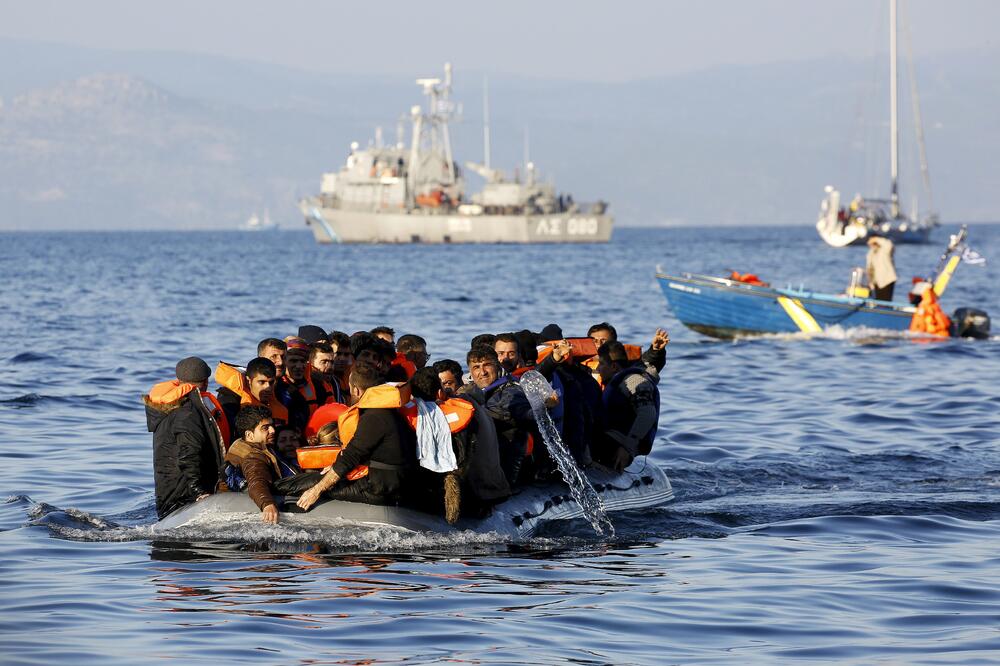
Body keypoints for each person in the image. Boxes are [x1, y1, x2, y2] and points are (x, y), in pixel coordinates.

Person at [296, 362, 417, 510]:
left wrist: (316, 490)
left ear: (356, 390)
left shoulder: (373, 416)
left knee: (304, 483)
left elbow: (351, 456)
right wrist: (334, 467)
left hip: (380, 489)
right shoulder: (390, 411)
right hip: (393, 482)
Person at [144, 356, 227, 519]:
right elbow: (189, 453)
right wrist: (199, 491)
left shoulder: (169, 406)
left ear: (179, 380)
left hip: (167, 495)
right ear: (206, 381)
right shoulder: (188, 412)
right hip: (185, 498)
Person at [224, 406, 321, 524]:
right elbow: (257, 479)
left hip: (280, 487)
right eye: (265, 428)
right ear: (249, 435)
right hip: (274, 495)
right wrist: (267, 504)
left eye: (272, 426)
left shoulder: (261, 446)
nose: (273, 430)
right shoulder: (252, 456)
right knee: (316, 479)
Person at [467, 345, 536, 486]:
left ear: (497, 366)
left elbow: (523, 412)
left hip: (507, 473)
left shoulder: (511, 391)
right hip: (488, 463)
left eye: (487, 365)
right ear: (470, 372)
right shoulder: (472, 392)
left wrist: (540, 408)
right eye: (476, 367)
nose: (482, 372)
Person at [594, 340, 662, 473]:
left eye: (601, 364)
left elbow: (648, 413)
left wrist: (627, 447)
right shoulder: (618, 381)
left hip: (616, 445)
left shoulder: (634, 381)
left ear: (614, 367)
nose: (597, 369)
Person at [215, 356, 293, 434]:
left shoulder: (283, 395)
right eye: (262, 382)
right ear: (249, 380)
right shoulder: (229, 400)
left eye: (271, 382)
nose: (268, 388)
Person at [866, 236, 897, 301]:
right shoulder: (871, 253)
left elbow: (889, 244)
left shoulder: (884, 250)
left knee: (885, 300)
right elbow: (869, 268)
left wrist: (876, 238)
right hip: (877, 281)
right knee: (877, 300)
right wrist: (870, 281)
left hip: (887, 280)